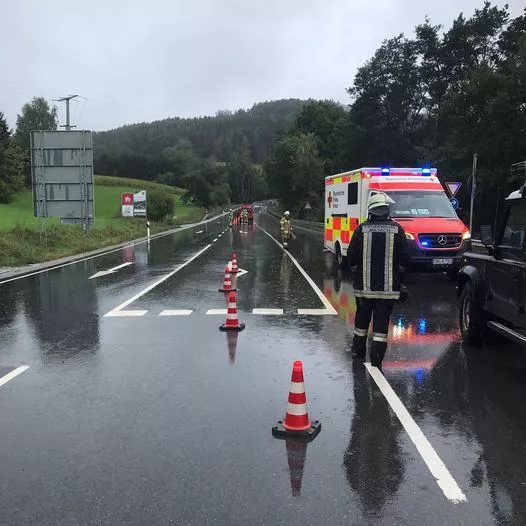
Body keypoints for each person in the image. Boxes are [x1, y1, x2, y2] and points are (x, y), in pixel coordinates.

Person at [348, 192, 408, 368]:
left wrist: (356, 270)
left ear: (371, 211)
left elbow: (351, 256)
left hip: (364, 290)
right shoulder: (397, 230)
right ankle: (377, 358)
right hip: (388, 292)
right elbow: (405, 259)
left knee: (361, 322)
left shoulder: (361, 229)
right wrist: (400, 280)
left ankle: (358, 351)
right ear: (387, 210)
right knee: (381, 326)